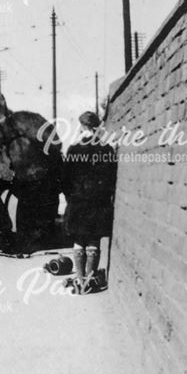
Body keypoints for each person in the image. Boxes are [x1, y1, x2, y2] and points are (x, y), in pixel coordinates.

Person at [61, 111, 117, 293]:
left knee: (79, 239)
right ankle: (91, 281)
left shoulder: (74, 150)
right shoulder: (107, 150)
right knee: (94, 239)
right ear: (97, 128)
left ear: (82, 127)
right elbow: (111, 178)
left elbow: (65, 180)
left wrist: (72, 198)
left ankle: (80, 280)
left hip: (78, 202)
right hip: (98, 203)